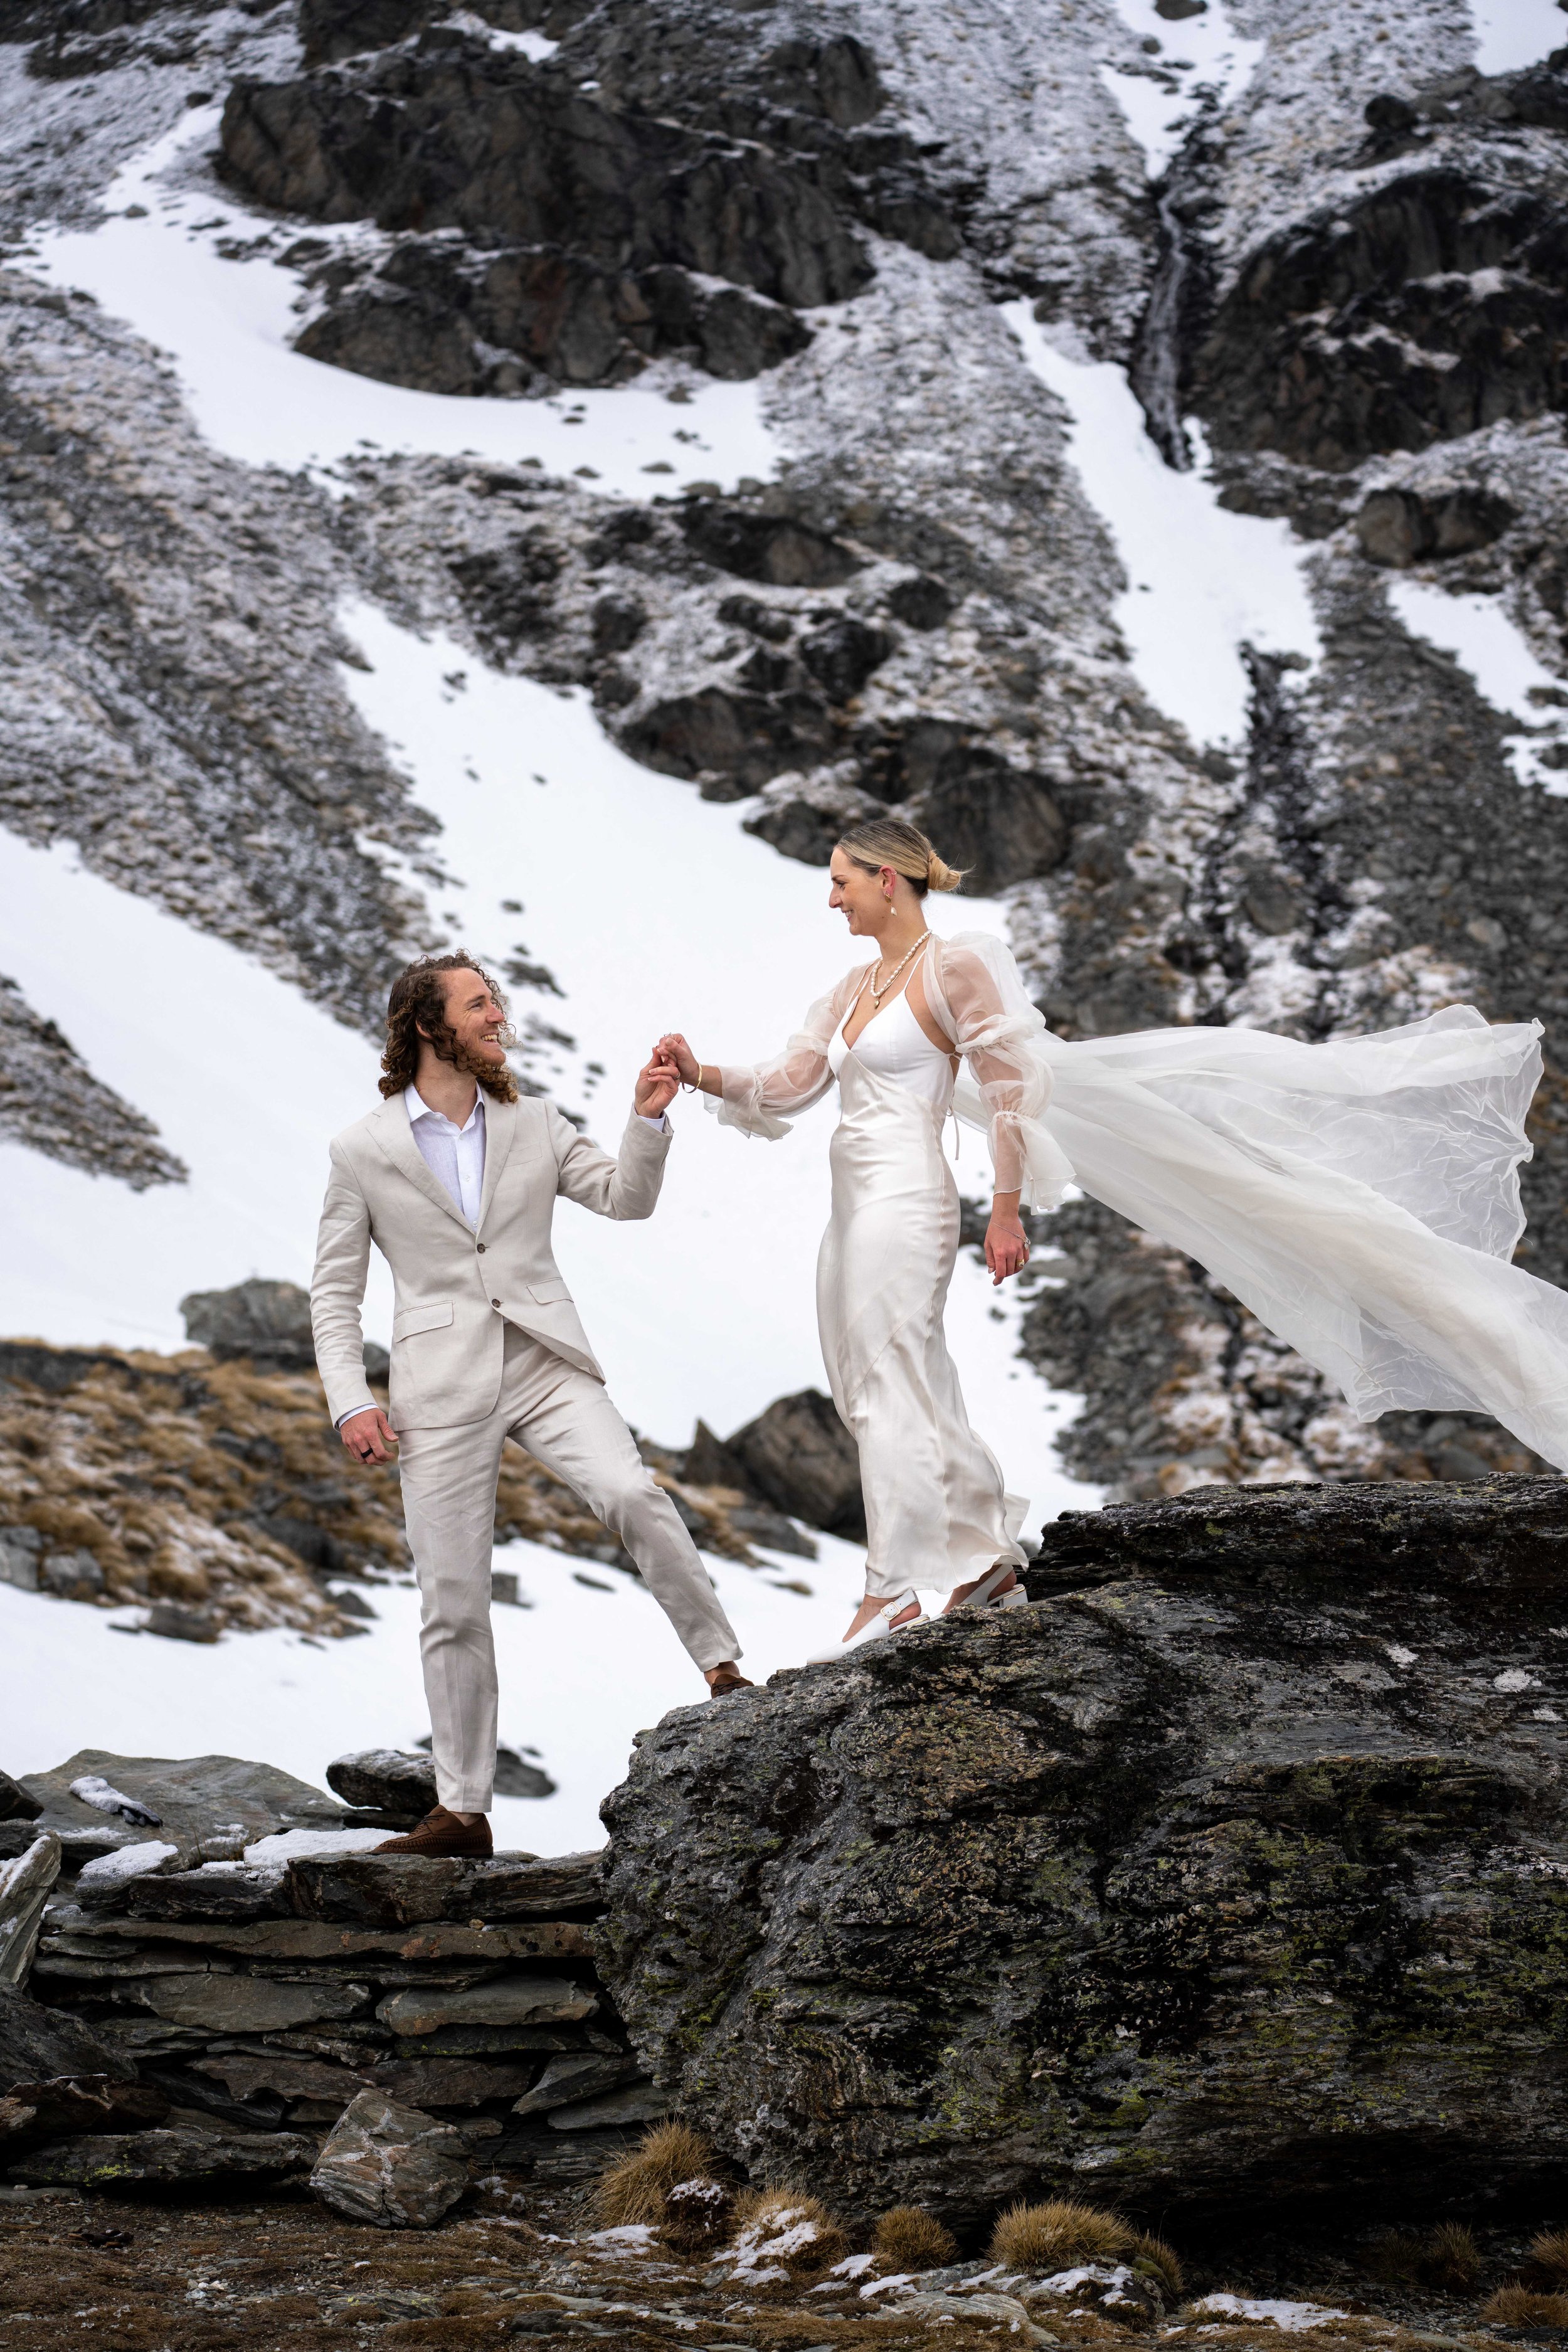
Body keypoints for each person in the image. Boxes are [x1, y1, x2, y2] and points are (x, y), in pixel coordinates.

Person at [661, 814, 1568, 1660]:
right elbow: (789, 1083)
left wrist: (1006, 1208)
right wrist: (698, 1071)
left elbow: (1010, 1092)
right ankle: (981, 1557)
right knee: (878, 1379)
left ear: (890, 880)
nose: (832, 899)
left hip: (910, 1197)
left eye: (842, 881)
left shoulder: (955, 968)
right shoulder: (851, 987)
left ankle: (894, 1585)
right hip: (851, 1204)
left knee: (890, 1372)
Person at [311, 953, 749, 1860]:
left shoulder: (535, 1120)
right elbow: (334, 1292)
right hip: (438, 1385)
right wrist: (351, 1398)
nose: (497, 1014)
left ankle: (723, 1667)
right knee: (453, 1595)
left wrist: (645, 1116)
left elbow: (625, 1200)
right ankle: (462, 1809)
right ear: (430, 1026)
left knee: (632, 1493)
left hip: (545, 1361)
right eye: (479, 1003)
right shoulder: (362, 1149)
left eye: (496, 1000)